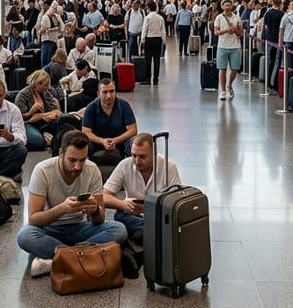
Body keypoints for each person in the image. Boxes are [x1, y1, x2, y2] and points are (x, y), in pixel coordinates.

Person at [16, 131, 128, 277]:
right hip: (51, 230)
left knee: (119, 229)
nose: (77, 166)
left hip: (79, 230)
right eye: (72, 160)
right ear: (61, 153)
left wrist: (94, 210)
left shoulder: (92, 169)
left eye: (82, 160)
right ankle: (85, 257)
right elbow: (34, 219)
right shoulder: (42, 170)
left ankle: (58, 259)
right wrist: (62, 209)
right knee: (25, 235)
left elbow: (98, 220)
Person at [101, 132, 181, 244]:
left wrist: (149, 208)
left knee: (167, 221)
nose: (137, 161)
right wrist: (124, 204)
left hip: (158, 216)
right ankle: (152, 234)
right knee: (119, 215)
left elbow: (176, 202)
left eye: (142, 156)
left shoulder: (168, 166)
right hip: (133, 216)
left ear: (154, 153)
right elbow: (104, 196)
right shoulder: (125, 165)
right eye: (134, 155)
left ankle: (143, 235)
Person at [81, 77, 138, 169]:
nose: (109, 95)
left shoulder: (124, 106)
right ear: (98, 94)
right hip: (97, 145)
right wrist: (102, 141)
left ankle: (132, 171)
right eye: (105, 92)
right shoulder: (91, 108)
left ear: (115, 92)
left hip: (120, 144)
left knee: (134, 142)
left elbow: (133, 130)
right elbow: (86, 132)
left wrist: (115, 140)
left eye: (111, 91)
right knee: (83, 143)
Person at [15, 70, 62, 151]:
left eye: (46, 85)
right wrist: (31, 112)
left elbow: (56, 111)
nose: (43, 87)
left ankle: (48, 137)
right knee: (38, 143)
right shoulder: (22, 95)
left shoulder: (46, 93)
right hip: (27, 124)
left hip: (45, 122)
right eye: (41, 84)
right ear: (34, 81)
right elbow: (19, 117)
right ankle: (46, 138)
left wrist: (40, 116)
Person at [213, 0, 244, 100]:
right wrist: (226, 30)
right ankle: (222, 90)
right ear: (222, 7)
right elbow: (216, 32)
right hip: (222, 46)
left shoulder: (237, 18)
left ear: (232, 6)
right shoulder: (219, 18)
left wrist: (235, 30)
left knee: (234, 69)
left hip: (235, 46)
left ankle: (229, 85)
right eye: (225, 5)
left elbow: (241, 32)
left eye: (229, 5)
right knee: (222, 69)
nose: (227, 7)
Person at [141, 0, 165, 86]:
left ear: (148, 8)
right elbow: (163, 30)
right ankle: (156, 79)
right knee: (157, 60)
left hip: (149, 39)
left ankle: (148, 79)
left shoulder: (147, 18)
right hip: (158, 39)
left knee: (148, 60)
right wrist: (163, 41)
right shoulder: (160, 18)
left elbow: (144, 30)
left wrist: (142, 40)